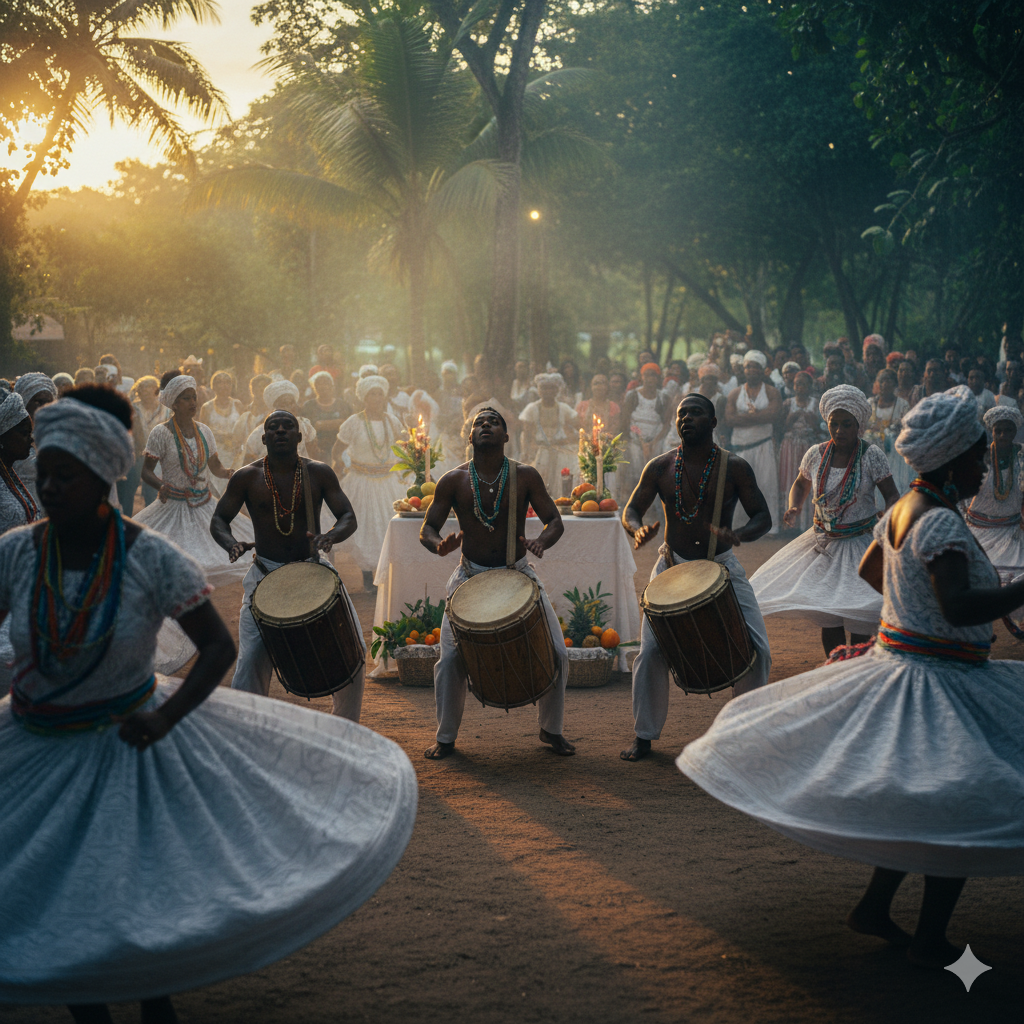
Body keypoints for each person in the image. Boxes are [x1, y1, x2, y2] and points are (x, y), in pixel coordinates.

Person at [0, 388, 417, 1017]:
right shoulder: (15, 554)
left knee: (131, 879)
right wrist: (229, 541)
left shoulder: (149, 558)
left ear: (101, 476)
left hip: (129, 745)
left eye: (68, 474)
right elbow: (224, 536)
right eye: (45, 471)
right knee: (60, 885)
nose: (50, 487)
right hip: (34, 742)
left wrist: (164, 717)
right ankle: (89, 1001)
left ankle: (152, 996)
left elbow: (212, 649)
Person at [680, 390, 1024, 969]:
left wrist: (903, 620)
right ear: (950, 459)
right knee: (958, 800)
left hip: (915, 667)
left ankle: (877, 906)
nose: (981, 470)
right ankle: (931, 937)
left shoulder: (903, 510)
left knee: (923, 794)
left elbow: (870, 570)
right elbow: (963, 608)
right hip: (936, 679)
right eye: (974, 461)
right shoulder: (938, 521)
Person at [620, 394, 773, 761]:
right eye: (681, 414)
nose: (687, 418)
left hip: (721, 566)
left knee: (758, 648)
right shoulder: (659, 466)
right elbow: (632, 510)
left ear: (714, 422)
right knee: (651, 652)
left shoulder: (734, 467)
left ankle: (746, 730)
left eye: (696, 412)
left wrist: (741, 534)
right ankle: (644, 735)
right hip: (671, 566)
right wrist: (637, 530)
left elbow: (762, 517)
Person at [419, 407, 574, 760]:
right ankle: (445, 737)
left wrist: (541, 542)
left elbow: (554, 521)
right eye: (478, 423)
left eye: (494, 422)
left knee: (559, 652)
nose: (485, 425)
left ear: (506, 436)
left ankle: (551, 730)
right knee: (450, 659)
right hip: (469, 575)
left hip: (517, 573)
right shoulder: (453, 480)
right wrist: (439, 546)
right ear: (469, 436)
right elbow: (427, 529)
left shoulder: (525, 476)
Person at [212, 410, 365, 720]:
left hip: (312, 569)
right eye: (273, 427)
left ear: (300, 436)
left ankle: (347, 727)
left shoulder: (319, 473)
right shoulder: (246, 477)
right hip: (264, 574)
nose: (280, 431)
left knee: (355, 650)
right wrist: (232, 544)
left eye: (288, 426)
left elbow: (347, 515)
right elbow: (219, 519)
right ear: (263, 438)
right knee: (252, 659)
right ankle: (247, 731)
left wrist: (331, 536)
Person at [752, 385, 900, 656]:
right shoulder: (816, 454)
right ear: (827, 423)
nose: (840, 430)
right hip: (823, 544)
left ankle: (855, 668)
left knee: (858, 612)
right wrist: (794, 506)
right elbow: (800, 483)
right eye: (834, 424)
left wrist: (887, 515)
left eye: (847, 424)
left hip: (861, 544)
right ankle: (835, 665)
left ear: (859, 425)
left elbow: (891, 494)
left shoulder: (871, 455)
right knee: (829, 611)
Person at [136, 374, 254, 585]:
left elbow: (215, 466)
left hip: (205, 503)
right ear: (174, 403)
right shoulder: (161, 433)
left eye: (194, 398)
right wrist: (161, 485)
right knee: (176, 564)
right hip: (173, 506)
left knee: (233, 551)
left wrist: (228, 472)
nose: (193, 403)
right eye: (186, 399)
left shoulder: (204, 431)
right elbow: (146, 472)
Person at [334, 375, 407, 592]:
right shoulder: (354, 422)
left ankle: (390, 576)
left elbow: (404, 447)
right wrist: (340, 466)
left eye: (379, 394)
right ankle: (367, 577)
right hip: (361, 481)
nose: (376, 398)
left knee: (388, 525)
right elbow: (337, 450)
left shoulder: (393, 421)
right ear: (364, 398)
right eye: (372, 394)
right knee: (365, 527)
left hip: (388, 481)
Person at [964, 405, 1024, 579]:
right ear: (992, 431)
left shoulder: (1021, 455)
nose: (1003, 435)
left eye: (1008, 430)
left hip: (1011, 532)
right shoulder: (978, 456)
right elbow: (960, 495)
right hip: (978, 530)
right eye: (999, 431)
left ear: (1015, 431)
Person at [725, 351, 781, 535]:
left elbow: (773, 415)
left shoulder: (771, 392)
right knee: (738, 487)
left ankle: (769, 528)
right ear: (744, 369)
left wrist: (747, 417)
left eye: (755, 366)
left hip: (763, 445)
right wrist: (759, 417)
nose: (751, 370)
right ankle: (738, 527)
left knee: (766, 485)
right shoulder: (735, 393)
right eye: (748, 366)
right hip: (741, 448)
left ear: (762, 370)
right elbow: (730, 419)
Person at [519, 373, 580, 495]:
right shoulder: (532, 409)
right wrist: (526, 453)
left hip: (560, 451)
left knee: (561, 484)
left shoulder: (564, 408)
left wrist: (568, 439)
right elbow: (526, 435)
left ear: (557, 390)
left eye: (551, 388)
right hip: (539, 452)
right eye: (544, 388)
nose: (548, 391)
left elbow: (579, 429)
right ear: (538, 390)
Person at [777, 371, 822, 533]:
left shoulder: (816, 404)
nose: (800, 387)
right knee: (790, 480)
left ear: (810, 387)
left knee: (808, 482)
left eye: (803, 384)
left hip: (809, 447)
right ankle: (790, 523)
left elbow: (821, 430)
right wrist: (789, 421)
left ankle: (807, 524)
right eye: (797, 384)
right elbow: (780, 428)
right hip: (790, 447)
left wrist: (814, 422)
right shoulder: (788, 404)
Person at [242, 380, 318, 462]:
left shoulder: (305, 426)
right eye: (284, 403)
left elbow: (314, 455)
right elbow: (248, 463)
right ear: (274, 407)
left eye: (292, 403)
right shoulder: (259, 433)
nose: (289, 407)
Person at [11, 372, 57, 504]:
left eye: (49, 402)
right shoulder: (9, 437)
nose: (44, 408)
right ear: (24, 402)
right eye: (38, 401)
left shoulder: (61, 437)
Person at [866, 368, 913, 495]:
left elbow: (907, 429)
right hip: (872, 453)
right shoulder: (869, 403)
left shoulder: (902, 404)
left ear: (895, 384)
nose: (885, 384)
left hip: (894, 454)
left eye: (888, 381)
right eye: (882, 381)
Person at [199, 370, 245, 498]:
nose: (224, 386)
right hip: (215, 455)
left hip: (235, 454)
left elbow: (244, 429)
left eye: (227, 383)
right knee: (214, 493)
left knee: (233, 491)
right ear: (213, 386)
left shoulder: (238, 405)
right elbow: (203, 434)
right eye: (219, 383)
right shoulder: (207, 407)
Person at [130, 375, 170, 507]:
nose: (146, 393)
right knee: (131, 490)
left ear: (156, 391)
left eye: (149, 389)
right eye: (143, 390)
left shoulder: (166, 410)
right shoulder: (134, 409)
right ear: (138, 392)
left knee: (153, 491)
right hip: (139, 454)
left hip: (161, 456)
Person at [303, 370, 352, 466]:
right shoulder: (308, 406)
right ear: (314, 387)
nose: (323, 386)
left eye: (326, 383)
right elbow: (307, 429)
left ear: (332, 386)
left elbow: (349, 427)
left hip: (340, 451)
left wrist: (321, 424)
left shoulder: (343, 405)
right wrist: (338, 423)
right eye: (319, 383)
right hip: (317, 452)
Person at [576, 372, 621, 438]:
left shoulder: (614, 407)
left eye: (602, 383)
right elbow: (577, 427)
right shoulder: (582, 406)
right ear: (591, 387)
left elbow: (615, 429)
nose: (599, 387)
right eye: (596, 383)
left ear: (607, 387)